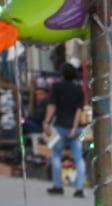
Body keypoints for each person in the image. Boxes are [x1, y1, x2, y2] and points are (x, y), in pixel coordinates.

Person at [45, 63, 87, 198]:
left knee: (56, 155)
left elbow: (52, 106)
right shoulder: (78, 89)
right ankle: (79, 188)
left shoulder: (56, 87)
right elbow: (79, 110)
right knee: (79, 158)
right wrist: (74, 128)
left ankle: (58, 186)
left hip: (60, 127)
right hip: (77, 128)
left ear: (61, 74)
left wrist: (46, 122)